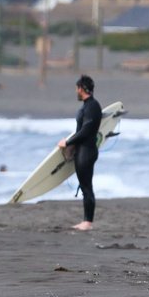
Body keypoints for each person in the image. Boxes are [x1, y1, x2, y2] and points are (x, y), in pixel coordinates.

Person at [58, 74, 103, 231]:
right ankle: (86, 221)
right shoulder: (87, 106)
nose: (76, 91)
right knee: (85, 186)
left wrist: (68, 142)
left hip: (87, 151)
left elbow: (86, 131)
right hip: (82, 150)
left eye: (77, 88)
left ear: (82, 89)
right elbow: (81, 130)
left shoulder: (92, 107)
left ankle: (88, 222)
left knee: (86, 187)